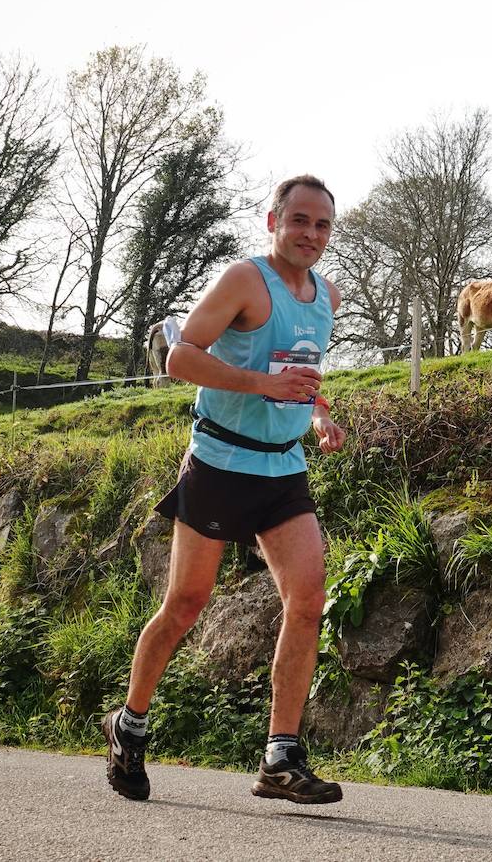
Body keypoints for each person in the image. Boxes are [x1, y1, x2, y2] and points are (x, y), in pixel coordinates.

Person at [104, 175, 347, 804]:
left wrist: (318, 412)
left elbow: (298, 372)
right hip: (220, 463)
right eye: (299, 220)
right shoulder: (244, 280)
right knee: (186, 604)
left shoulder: (327, 296)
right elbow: (180, 358)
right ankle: (129, 725)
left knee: (307, 601)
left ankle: (280, 757)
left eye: (322, 224)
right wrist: (263, 387)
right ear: (273, 222)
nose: (311, 234)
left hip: (282, 468)